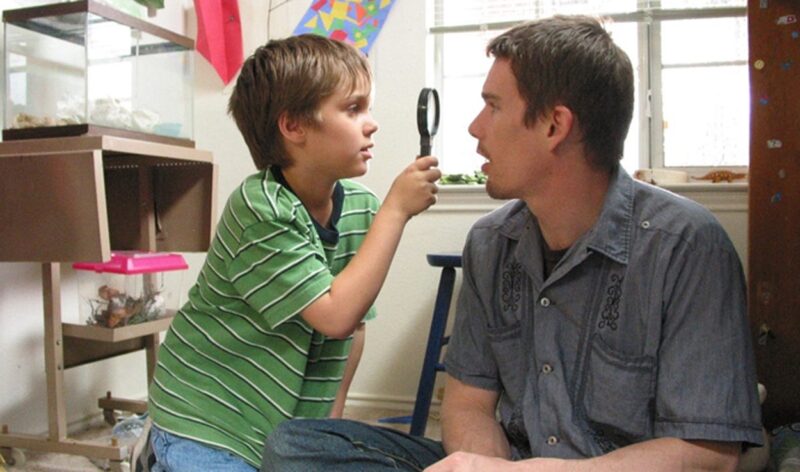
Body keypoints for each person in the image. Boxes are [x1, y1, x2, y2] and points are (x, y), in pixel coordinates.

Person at [261, 15, 763, 471]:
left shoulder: (687, 247)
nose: (475, 128)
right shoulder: (491, 242)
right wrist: (484, 466)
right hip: (515, 461)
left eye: (493, 107)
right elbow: (467, 404)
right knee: (297, 445)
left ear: (554, 125)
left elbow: (708, 456)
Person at [146, 34, 441, 471]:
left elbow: (353, 325)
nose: (371, 123)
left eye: (368, 108)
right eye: (353, 108)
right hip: (204, 419)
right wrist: (396, 211)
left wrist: (329, 426)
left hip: (280, 422)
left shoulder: (360, 208)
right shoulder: (260, 207)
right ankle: (156, 453)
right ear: (294, 127)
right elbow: (334, 315)